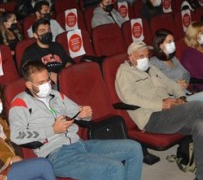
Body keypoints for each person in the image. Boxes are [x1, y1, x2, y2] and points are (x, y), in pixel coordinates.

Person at [115, 41, 203, 180]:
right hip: (151, 118)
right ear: (131, 57)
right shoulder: (124, 73)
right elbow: (130, 98)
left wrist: (181, 97)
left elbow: (171, 84)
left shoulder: (151, 68)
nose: (145, 58)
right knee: (199, 106)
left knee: (200, 126)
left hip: (170, 110)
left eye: (147, 55)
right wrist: (160, 104)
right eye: (141, 56)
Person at [9, 61, 143, 180]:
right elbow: (17, 135)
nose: (47, 85)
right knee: (114, 167)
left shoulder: (55, 95)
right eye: (41, 83)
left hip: (79, 144)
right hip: (57, 155)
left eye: (47, 80)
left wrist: (85, 113)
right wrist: (52, 130)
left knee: (134, 148)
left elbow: (78, 112)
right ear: (28, 84)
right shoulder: (20, 102)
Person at [20, 19, 74, 83]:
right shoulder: (30, 52)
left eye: (48, 29)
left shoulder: (57, 46)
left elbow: (68, 60)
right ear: (35, 35)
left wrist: (68, 65)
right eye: (42, 31)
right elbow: (25, 73)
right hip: (47, 83)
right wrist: (48, 75)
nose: (47, 32)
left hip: (65, 79)